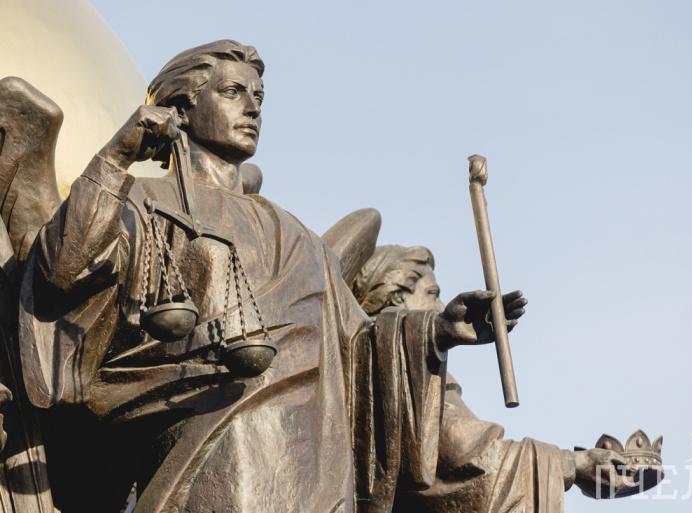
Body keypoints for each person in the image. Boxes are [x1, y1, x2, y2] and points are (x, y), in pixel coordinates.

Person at [17, 40, 620, 512]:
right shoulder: (145, 205)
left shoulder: (294, 234)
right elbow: (61, 271)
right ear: (181, 107)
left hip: (314, 473)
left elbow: (356, 351)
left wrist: (436, 331)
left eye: (258, 95)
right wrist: (117, 155)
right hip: (213, 462)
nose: (253, 106)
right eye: (233, 92)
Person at [352, 245, 626, 511]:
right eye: (432, 293)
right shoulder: (400, 373)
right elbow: (458, 456)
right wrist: (571, 464)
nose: (439, 304)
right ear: (398, 297)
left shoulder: (372, 364)